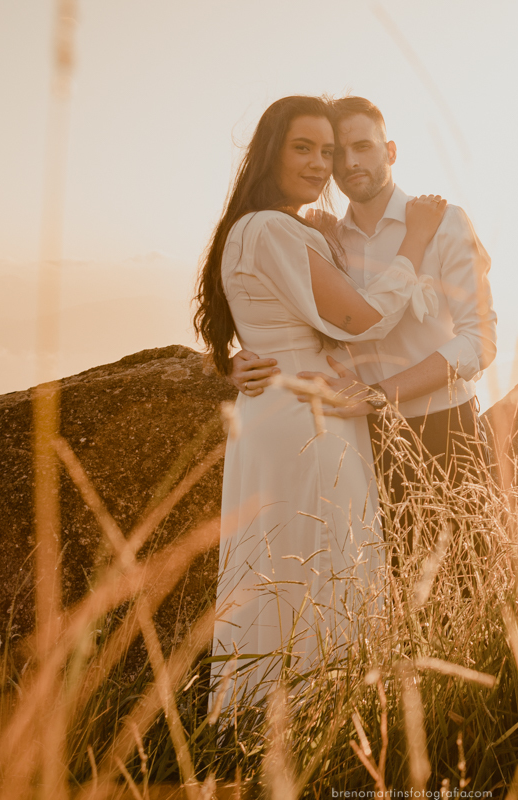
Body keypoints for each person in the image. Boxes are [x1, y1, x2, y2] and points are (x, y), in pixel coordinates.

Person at [195, 95, 447, 696]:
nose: (318, 164)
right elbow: (360, 318)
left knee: (279, 568)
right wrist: (415, 240)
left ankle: (259, 720)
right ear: (269, 152)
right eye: (302, 147)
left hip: (281, 412)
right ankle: (317, 718)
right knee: (321, 566)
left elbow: (266, 322)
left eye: (326, 152)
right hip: (309, 421)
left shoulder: (254, 228)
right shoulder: (272, 227)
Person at [230, 96, 497, 554]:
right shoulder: (321, 239)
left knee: (466, 586)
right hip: (356, 437)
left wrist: (379, 395)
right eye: (337, 152)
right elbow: (293, 321)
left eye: (364, 147)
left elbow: (480, 341)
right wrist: (244, 360)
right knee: (375, 594)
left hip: (445, 430)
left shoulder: (444, 223)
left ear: (390, 151)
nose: (350, 162)